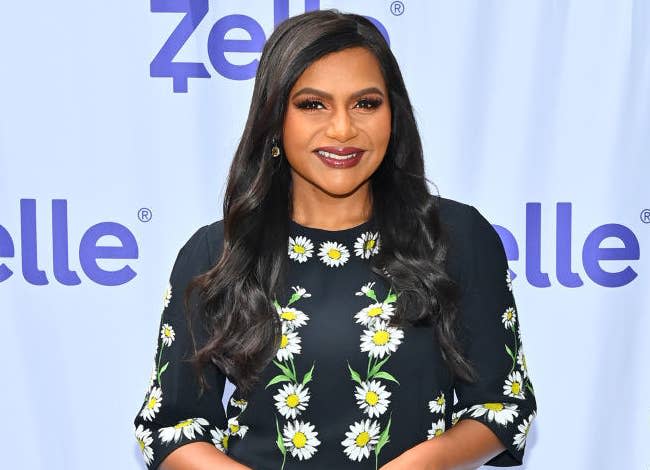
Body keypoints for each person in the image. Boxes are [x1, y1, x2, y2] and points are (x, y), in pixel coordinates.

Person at [133, 8, 537, 470]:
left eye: (366, 103)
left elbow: (502, 408)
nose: (343, 128)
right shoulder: (217, 253)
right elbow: (171, 427)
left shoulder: (457, 238)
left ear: (394, 115)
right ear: (274, 120)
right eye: (312, 104)